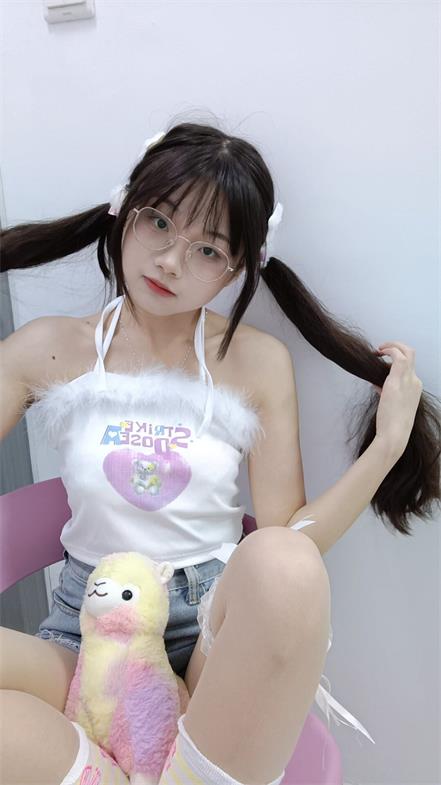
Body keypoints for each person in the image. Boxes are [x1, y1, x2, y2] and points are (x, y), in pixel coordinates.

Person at [0, 121, 439, 785]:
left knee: (284, 562)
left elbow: (289, 534)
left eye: (207, 249)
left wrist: (387, 447)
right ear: (124, 211)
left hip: (207, 629)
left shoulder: (255, 363)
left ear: (237, 269)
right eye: (158, 222)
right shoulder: (49, 347)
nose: (170, 261)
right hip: (88, 630)